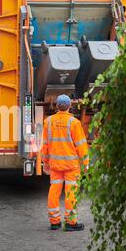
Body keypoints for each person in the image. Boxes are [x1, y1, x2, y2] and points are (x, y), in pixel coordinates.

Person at [41, 95, 89, 232]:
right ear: (69, 106)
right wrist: (85, 162)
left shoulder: (48, 121)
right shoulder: (74, 122)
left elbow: (45, 144)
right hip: (71, 166)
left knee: (54, 191)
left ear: (57, 106)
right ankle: (70, 222)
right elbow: (81, 145)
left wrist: (45, 162)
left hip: (55, 164)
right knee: (71, 193)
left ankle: (55, 222)